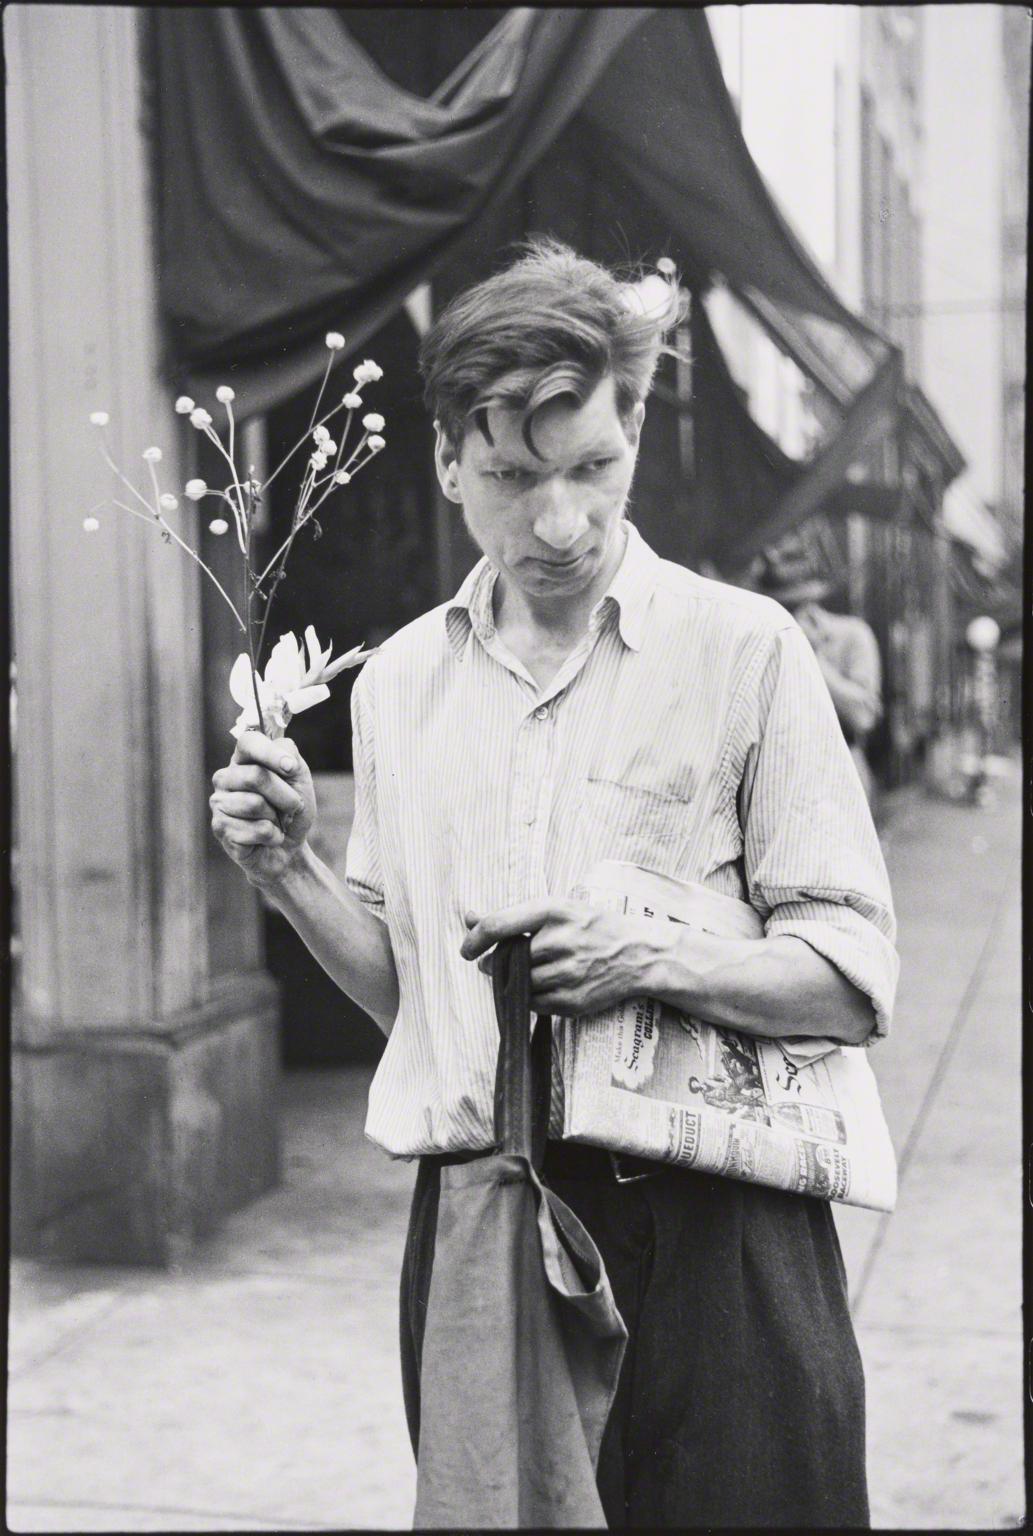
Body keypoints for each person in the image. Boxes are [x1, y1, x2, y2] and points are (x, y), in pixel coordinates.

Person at [210, 238, 898, 1529]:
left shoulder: (743, 648)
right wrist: (290, 867)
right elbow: (417, 1008)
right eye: (515, 478)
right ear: (447, 464)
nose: (560, 522)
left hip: (717, 1223)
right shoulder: (402, 682)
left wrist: (649, 956)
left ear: (634, 429)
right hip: (481, 1213)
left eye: (592, 467)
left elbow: (854, 982)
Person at [760, 569, 884, 803]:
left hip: (839, 776)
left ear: (809, 609)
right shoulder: (760, 639)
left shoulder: (852, 635)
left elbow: (863, 717)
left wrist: (809, 654)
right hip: (778, 780)